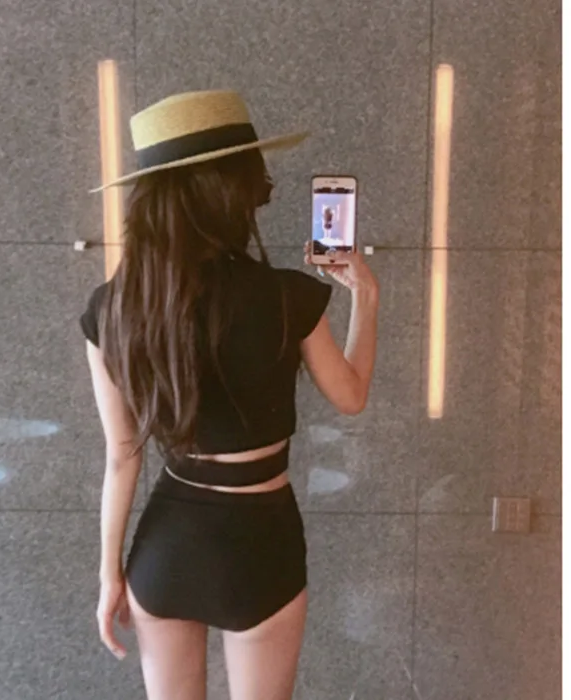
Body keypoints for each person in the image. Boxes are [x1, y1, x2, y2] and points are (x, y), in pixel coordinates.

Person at [80, 90, 379, 700]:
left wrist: (110, 574)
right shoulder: (286, 295)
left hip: (166, 545)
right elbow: (351, 396)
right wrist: (366, 297)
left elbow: (121, 456)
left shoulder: (113, 308)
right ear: (229, 191)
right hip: (260, 546)